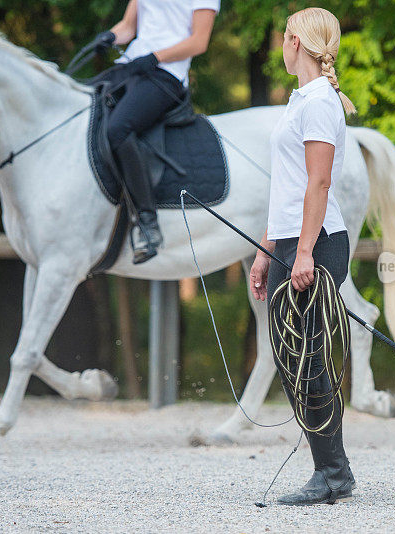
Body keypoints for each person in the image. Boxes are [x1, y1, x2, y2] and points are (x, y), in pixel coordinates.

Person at [248, 7, 358, 506]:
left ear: (295, 42)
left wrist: (306, 252)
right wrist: (266, 251)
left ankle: (332, 474)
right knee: (291, 356)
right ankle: (333, 471)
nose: (279, 45)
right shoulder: (300, 100)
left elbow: (319, 182)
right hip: (292, 242)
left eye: (282, 37)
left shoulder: (318, 103)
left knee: (306, 356)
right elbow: (288, 188)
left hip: (318, 243)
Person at [90, 0, 219, 264]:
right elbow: (129, 26)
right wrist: (111, 36)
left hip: (166, 74)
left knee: (118, 129)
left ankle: (148, 223)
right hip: (133, 64)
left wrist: (156, 57)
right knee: (83, 108)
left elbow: (199, 41)